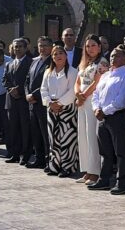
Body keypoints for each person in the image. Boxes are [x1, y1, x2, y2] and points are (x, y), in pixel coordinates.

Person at [90, 46, 125, 193]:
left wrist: (105, 111)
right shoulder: (105, 76)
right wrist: (96, 108)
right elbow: (96, 94)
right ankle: (104, 180)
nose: (112, 58)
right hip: (102, 118)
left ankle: (121, 183)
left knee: (120, 152)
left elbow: (121, 100)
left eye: (116, 56)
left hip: (117, 118)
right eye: (112, 56)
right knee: (105, 151)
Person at [42, 45, 80, 177]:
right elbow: (43, 89)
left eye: (60, 53)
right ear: (52, 57)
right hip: (51, 108)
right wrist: (50, 103)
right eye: (55, 54)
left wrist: (60, 103)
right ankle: (54, 165)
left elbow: (72, 91)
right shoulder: (48, 72)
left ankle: (68, 167)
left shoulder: (73, 71)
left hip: (67, 108)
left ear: (65, 56)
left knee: (67, 139)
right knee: (53, 138)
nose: (58, 56)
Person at [74, 35, 106, 185]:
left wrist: (84, 96)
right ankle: (87, 170)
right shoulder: (84, 63)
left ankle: (95, 172)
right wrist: (77, 94)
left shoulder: (102, 62)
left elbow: (97, 81)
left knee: (93, 137)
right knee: (83, 136)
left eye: (93, 45)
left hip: (93, 102)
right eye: (87, 46)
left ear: (99, 47)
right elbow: (78, 81)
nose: (90, 48)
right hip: (82, 103)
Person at [3, 38, 33, 164]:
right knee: (13, 128)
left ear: (26, 48)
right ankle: (14, 154)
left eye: (20, 46)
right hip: (11, 100)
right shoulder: (9, 64)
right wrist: (11, 89)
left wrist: (19, 90)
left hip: (23, 101)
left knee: (25, 129)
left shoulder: (31, 62)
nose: (18, 49)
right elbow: (4, 80)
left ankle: (25, 155)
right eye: (16, 47)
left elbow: (30, 80)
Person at [25, 36, 53, 168]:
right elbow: (27, 79)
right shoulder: (34, 61)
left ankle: (48, 160)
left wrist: (34, 95)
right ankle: (39, 158)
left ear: (51, 47)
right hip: (32, 103)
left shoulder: (53, 62)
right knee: (35, 132)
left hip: (43, 103)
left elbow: (48, 83)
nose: (42, 48)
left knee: (45, 133)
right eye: (40, 45)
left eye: (45, 45)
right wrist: (27, 94)